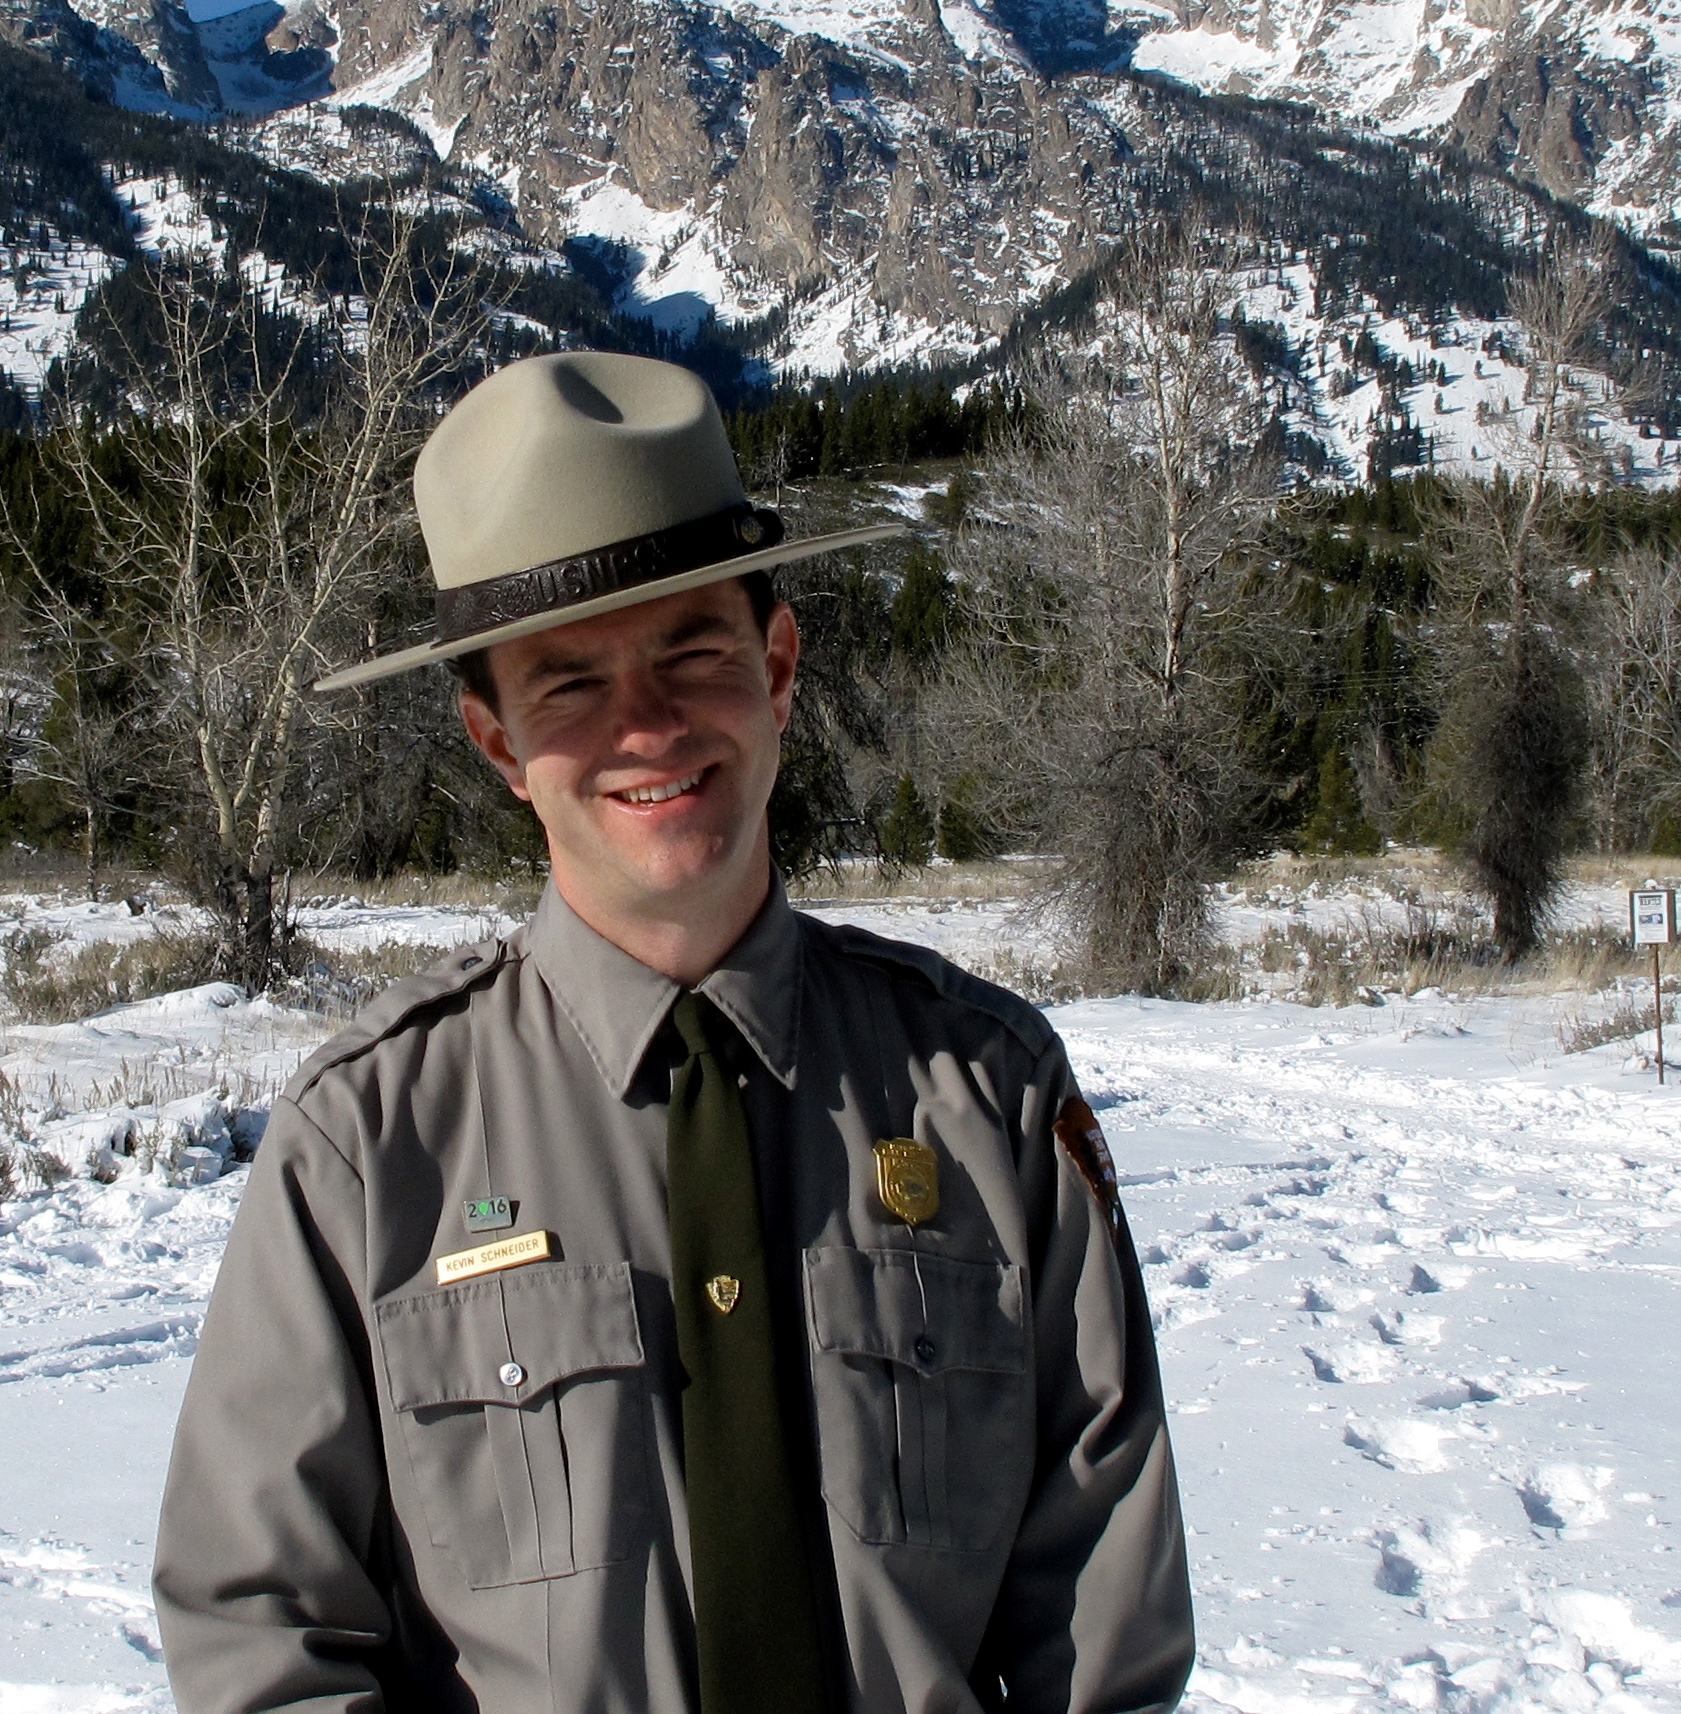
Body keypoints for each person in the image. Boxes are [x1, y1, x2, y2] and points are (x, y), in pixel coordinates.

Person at [153, 351, 1193, 1714]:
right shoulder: (364, 1148)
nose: (646, 723)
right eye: (568, 682)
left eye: (693, 650)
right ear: (498, 744)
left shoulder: (988, 1098)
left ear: (776, 665)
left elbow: (1102, 1638)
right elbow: (263, 1641)